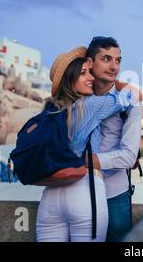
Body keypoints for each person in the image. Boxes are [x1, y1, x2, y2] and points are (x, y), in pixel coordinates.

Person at [35, 46, 134, 242]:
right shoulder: (89, 105)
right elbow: (131, 97)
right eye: (83, 74)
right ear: (70, 80)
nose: (90, 78)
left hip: (50, 196)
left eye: (89, 72)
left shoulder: (50, 111)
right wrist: (118, 82)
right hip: (83, 190)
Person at [85, 36, 142, 242]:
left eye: (118, 60)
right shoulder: (77, 96)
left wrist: (87, 162)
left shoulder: (130, 102)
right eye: (106, 59)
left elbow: (128, 157)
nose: (114, 66)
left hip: (114, 194)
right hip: (78, 190)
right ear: (91, 62)